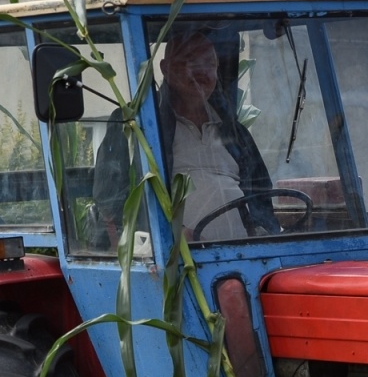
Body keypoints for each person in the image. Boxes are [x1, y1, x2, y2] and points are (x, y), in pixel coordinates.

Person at [92, 30, 281, 245]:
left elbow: (262, 197)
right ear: (165, 68)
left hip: (247, 258)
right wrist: (169, 235)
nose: (201, 73)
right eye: (190, 62)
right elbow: (112, 205)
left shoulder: (235, 132)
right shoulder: (138, 127)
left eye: (209, 63)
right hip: (176, 265)